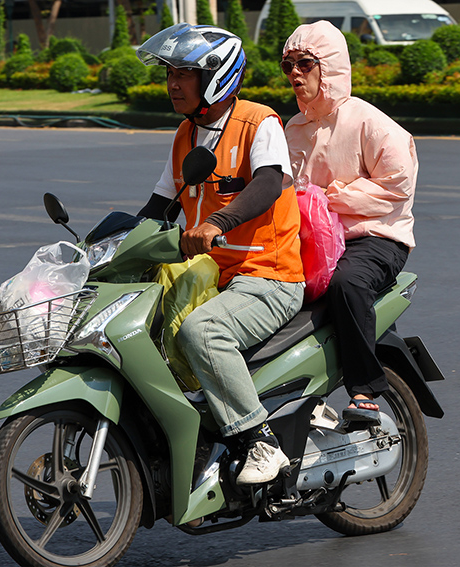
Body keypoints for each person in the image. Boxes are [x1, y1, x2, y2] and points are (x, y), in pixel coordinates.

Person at [136, 24, 305, 484]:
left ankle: (260, 443)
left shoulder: (258, 121)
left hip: (267, 276)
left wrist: (216, 223)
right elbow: (157, 208)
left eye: (185, 73)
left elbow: (270, 181)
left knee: (201, 331)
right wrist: (100, 249)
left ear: (217, 75)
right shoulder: (185, 136)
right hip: (214, 276)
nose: (172, 83)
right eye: (170, 72)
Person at [282, 21, 418, 425]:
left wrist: (333, 201)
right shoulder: (293, 130)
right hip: (316, 243)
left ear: (331, 68)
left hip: (374, 239)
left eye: (305, 63)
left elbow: (399, 183)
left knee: (347, 284)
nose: (294, 74)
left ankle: (364, 388)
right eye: (288, 64)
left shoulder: (368, 122)